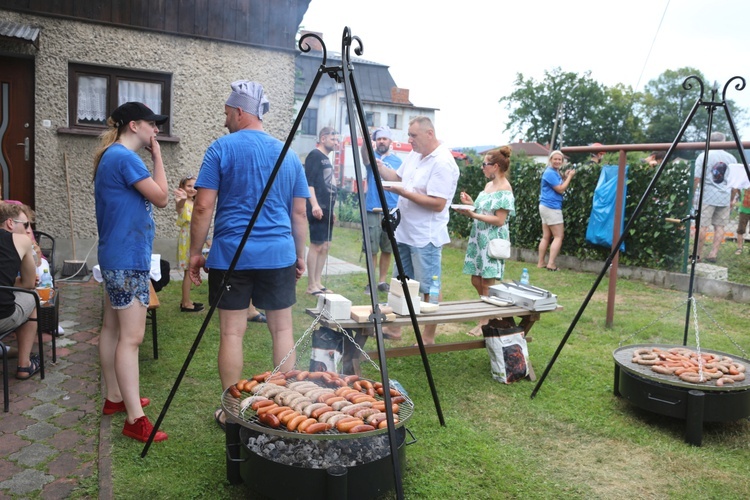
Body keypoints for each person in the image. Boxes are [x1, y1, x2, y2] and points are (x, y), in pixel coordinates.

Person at [188, 80, 308, 430]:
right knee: (282, 329)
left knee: (232, 334)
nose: (225, 120)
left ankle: (231, 412)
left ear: (241, 111)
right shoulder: (289, 153)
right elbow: (298, 213)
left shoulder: (220, 149)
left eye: (227, 113)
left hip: (232, 256)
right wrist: (299, 256)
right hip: (279, 254)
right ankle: (291, 409)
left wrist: (196, 254)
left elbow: (203, 206)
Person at [93, 101, 170, 443]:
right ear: (135, 125)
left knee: (112, 327)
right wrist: (158, 157)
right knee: (132, 337)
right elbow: (163, 197)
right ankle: (135, 420)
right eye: (153, 125)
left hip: (116, 256)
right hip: (126, 260)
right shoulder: (124, 158)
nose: (157, 131)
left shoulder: (112, 155)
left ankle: (115, 397)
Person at [377, 116, 460, 344]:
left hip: (426, 236)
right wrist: (380, 167)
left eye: (413, 135)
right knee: (400, 283)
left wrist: (403, 193)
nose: (409, 139)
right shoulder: (415, 155)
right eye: (409, 135)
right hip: (404, 230)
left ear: (429, 134)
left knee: (428, 288)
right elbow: (397, 178)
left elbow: (437, 203)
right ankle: (395, 330)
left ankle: (428, 337)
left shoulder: (442, 162)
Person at [456, 147, 515, 336]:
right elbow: (484, 210)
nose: (482, 168)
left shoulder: (505, 188)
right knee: (476, 280)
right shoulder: (488, 187)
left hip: (492, 240)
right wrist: (470, 204)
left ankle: (485, 321)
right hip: (478, 238)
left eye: (485, 164)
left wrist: (473, 214)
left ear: (495, 166)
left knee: (487, 282)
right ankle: (489, 315)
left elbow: (499, 220)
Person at [0, 203, 40, 379]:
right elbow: (29, 282)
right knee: (34, 296)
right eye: (25, 225)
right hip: (2, 316)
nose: (27, 231)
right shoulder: (20, 240)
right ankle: (24, 365)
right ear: (10, 223)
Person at [360, 126, 401, 295]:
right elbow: (364, 157)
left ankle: (382, 282)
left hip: (391, 209)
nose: (381, 141)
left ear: (390, 141)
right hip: (372, 207)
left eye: (385, 138)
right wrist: (364, 141)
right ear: (375, 142)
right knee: (371, 248)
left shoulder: (398, 161)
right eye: (379, 139)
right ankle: (371, 282)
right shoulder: (372, 158)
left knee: (387, 248)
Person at [305, 127, 339, 296]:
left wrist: (332, 209)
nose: (336, 142)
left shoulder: (326, 158)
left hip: (328, 208)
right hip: (317, 207)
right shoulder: (314, 155)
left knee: (326, 245)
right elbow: (309, 183)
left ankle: (318, 282)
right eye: (333, 139)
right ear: (323, 138)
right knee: (316, 245)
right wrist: (314, 205)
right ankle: (311, 285)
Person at [694, 132, 736, 263]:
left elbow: (696, 178)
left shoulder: (703, 156)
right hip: (724, 196)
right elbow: (734, 182)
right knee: (720, 226)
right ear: (724, 141)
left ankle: (697, 254)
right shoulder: (731, 158)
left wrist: (693, 193)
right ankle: (713, 253)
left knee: (702, 226)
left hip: (706, 196)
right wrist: (731, 199)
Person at [537, 150, 575, 271]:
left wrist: (564, 176)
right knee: (558, 236)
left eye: (560, 159)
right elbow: (560, 189)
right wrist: (569, 177)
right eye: (555, 159)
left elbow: (557, 183)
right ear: (550, 160)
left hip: (545, 206)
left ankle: (541, 262)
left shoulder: (554, 172)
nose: (558, 161)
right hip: (551, 207)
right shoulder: (550, 172)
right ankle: (551, 264)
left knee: (546, 236)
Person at [174, 175, 205, 312]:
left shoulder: (195, 203)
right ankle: (186, 304)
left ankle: (186, 299)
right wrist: (180, 199)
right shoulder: (183, 203)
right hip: (187, 240)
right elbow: (179, 206)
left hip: (195, 238)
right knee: (188, 271)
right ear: (182, 187)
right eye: (188, 186)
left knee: (191, 270)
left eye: (194, 186)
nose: (192, 189)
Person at [734, 187, 750, 255]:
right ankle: (739, 248)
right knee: (740, 230)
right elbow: (737, 189)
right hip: (744, 210)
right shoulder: (744, 181)